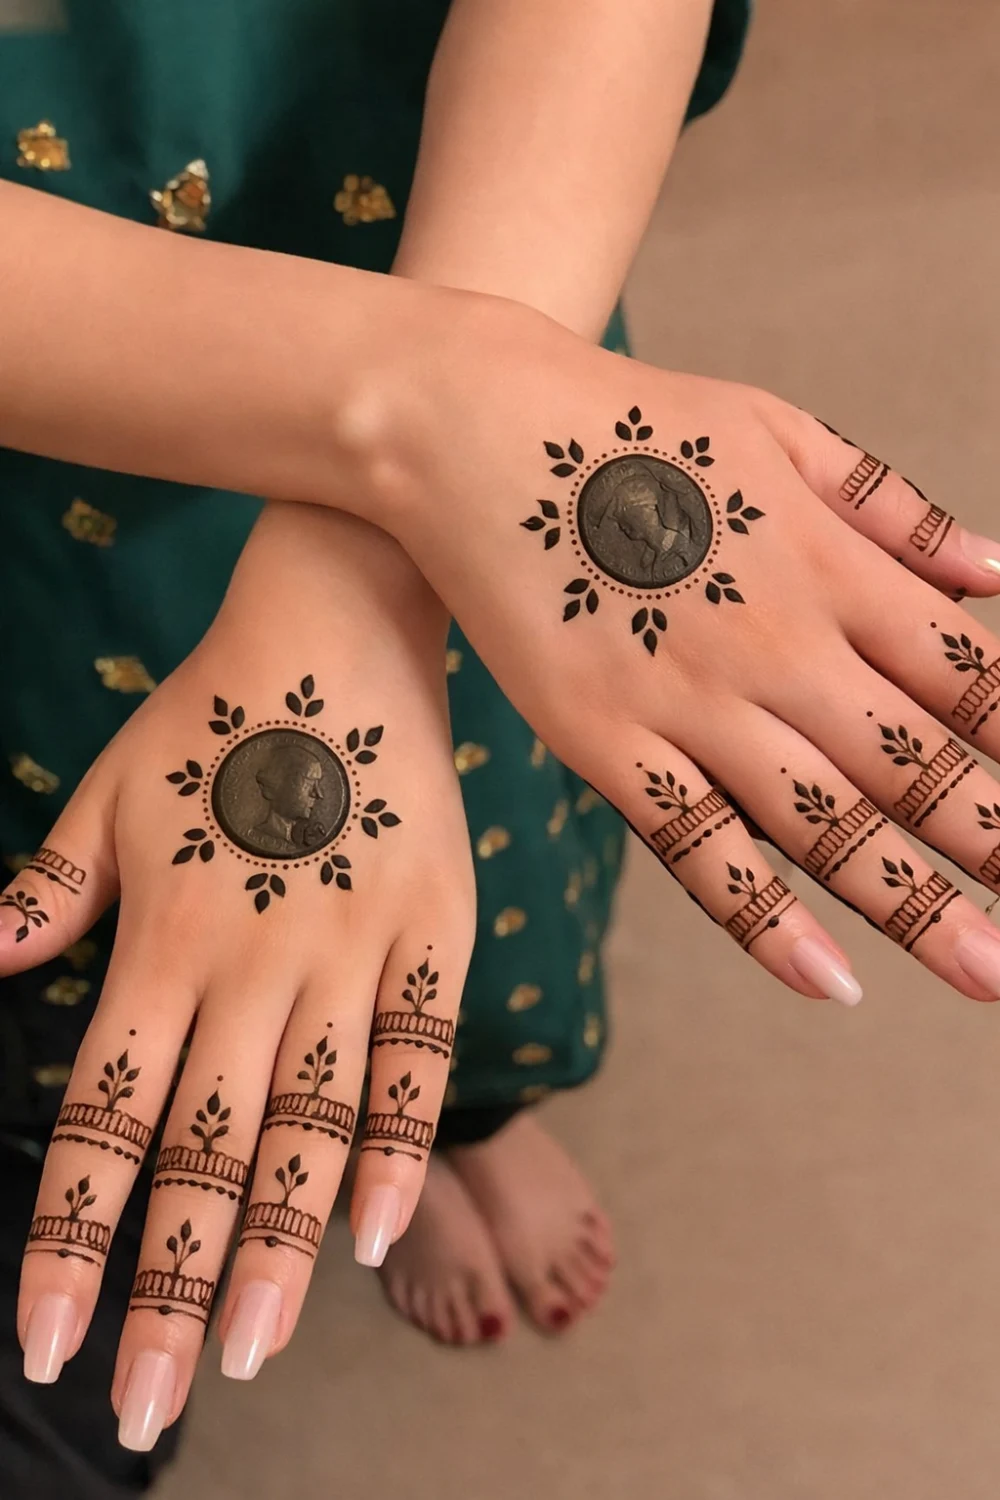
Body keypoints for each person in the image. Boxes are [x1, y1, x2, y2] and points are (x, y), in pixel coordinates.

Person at [2, 1, 1000, 1495]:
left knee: (474, 857)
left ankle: (469, 1112)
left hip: (470, 238)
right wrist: (429, 431)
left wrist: (393, 499)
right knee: (128, 934)